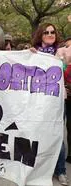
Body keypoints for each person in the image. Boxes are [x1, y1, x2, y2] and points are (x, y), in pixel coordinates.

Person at [31, 23, 68, 186]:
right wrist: (30, 55)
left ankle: (60, 171)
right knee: (37, 134)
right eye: (46, 32)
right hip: (38, 100)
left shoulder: (62, 52)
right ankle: (39, 169)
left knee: (57, 135)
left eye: (53, 32)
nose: (50, 34)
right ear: (40, 35)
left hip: (57, 100)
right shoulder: (33, 52)